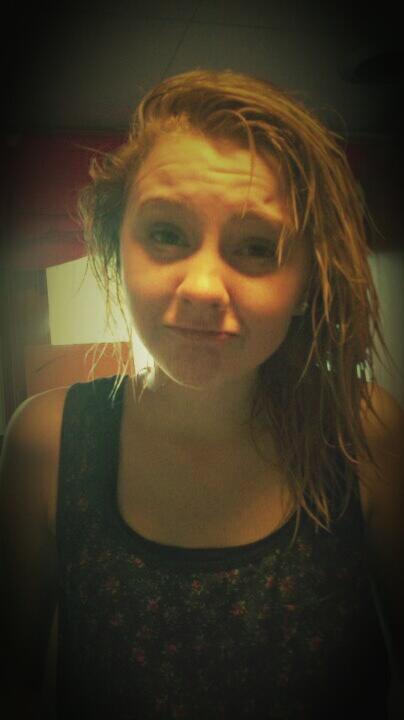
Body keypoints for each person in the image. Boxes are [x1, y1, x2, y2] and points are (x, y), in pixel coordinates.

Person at [0, 68, 403, 720]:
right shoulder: (45, 446)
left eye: (257, 246)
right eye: (166, 234)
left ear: (307, 281)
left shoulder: (364, 433)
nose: (204, 288)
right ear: (117, 249)